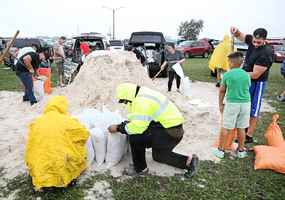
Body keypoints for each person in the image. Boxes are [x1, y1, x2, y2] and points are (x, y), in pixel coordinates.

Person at [108, 83, 199, 177]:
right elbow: (140, 120)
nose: (125, 103)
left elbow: (137, 128)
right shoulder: (143, 94)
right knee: (158, 156)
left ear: (128, 96)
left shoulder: (141, 102)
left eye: (124, 101)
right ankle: (189, 162)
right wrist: (124, 125)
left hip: (169, 133)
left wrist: (118, 128)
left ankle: (140, 169)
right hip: (174, 131)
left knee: (135, 137)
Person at [230, 27, 273, 144]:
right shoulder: (251, 40)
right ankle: (241, 129)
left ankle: (249, 135)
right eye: (254, 41)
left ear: (265, 40)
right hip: (246, 80)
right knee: (244, 105)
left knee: (253, 110)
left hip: (258, 82)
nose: (255, 44)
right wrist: (236, 31)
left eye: (259, 42)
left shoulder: (266, 53)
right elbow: (241, 35)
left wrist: (237, 73)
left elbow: (255, 75)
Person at [213, 52, 251, 159]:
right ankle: (241, 150)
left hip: (232, 103)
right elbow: (247, 87)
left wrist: (220, 104)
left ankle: (220, 150)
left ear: (231, 62)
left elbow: (222, 91)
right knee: (242, 127)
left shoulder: (227, 75)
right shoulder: (246, 75)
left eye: (228, 61)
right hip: (246, 103)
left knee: (226, 127)